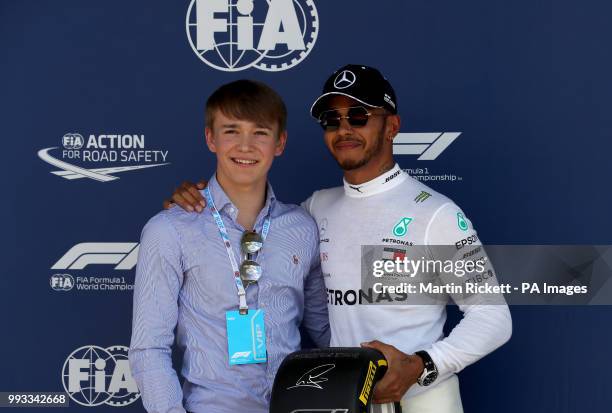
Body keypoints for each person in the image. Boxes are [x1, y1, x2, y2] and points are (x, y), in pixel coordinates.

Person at [165, 64, 512, 413]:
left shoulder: (436, 213)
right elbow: (251, 224)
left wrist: (421, 365)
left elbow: (493, 318)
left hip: (423, 402)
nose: (344, 128)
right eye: (332, 119)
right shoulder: (316, 209)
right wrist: (197, 203)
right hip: (345, 400)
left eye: (359, 116)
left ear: (392, 126)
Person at [129, 80, 330, 413]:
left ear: (280, 143)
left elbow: (325, 331)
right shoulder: (170, 229)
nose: (246, 146)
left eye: (260, 132)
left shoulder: (302, 226)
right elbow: (148, 348)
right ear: (211, 138)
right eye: (231, 131)